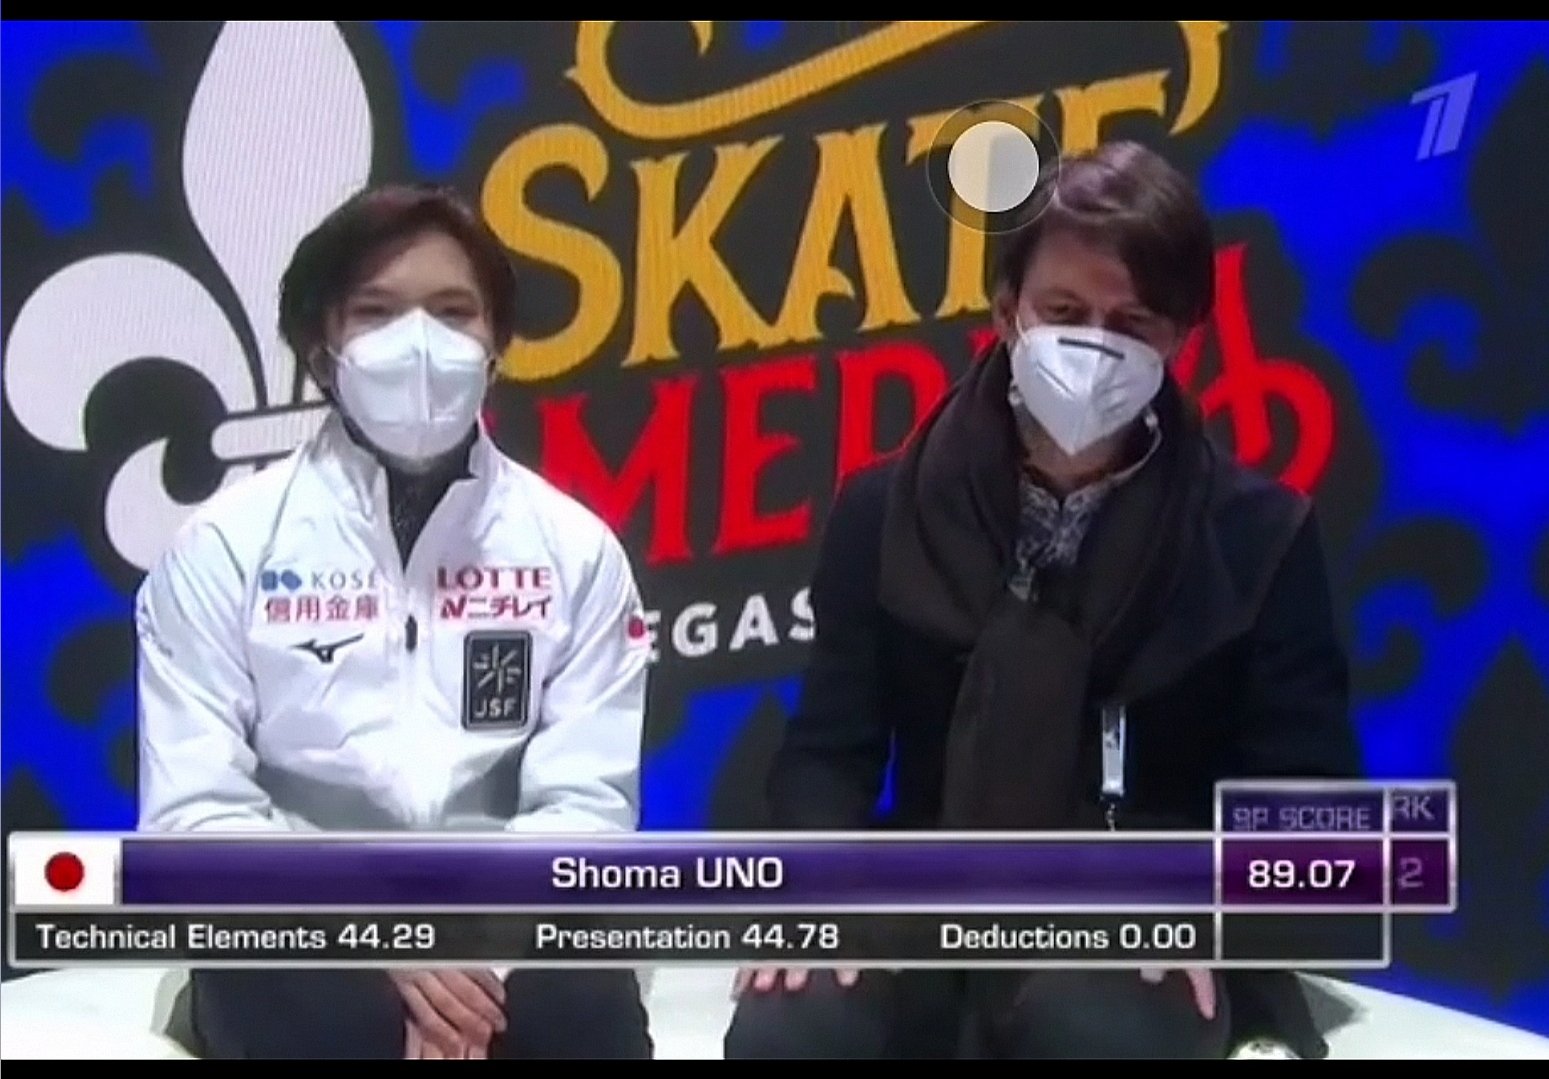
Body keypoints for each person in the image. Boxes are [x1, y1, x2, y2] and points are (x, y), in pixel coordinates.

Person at [724, 142, 1361, 1060]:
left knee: (1096, 1031)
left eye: (1130, 322)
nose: (1094, 344)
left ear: (1179, 340)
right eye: (1063, 312)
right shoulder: (882, 510)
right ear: (1006, 312)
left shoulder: (1258, 537)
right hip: (929, 893)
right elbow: (827, 751)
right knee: (793, 1023)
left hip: (1144, 914)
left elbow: (1308, 800)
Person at [136, 184, 653, 1060]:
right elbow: (196, 812)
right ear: (322, 346)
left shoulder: (575, 551)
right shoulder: (223, 548)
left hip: (502, 920)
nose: (419, 344)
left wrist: (465, 938)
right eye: (376, 312)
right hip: (297, 921)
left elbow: (587, 805)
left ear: (496, 345)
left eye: (453, 312)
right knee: (334, 1024)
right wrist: (377, 927)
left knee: (585, 1019)